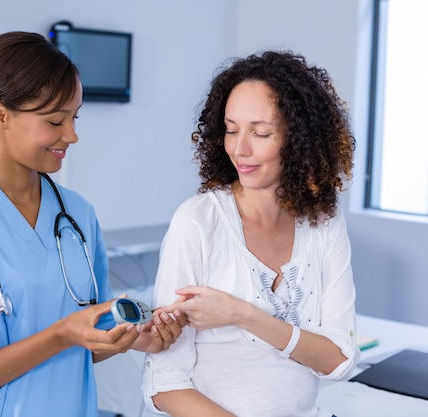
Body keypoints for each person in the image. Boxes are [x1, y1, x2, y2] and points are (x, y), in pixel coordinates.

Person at [0, 31, 185, 417]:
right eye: (55, 120)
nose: (72, 135)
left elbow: (89, 343)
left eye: (74, 117)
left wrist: (130, 338)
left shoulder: (79, 216)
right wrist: (60, 334)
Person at [140, 50, 359, 417]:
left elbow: (339, 361)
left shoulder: (324, 223)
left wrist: (244, 315)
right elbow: (165, 384)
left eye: (261, 133)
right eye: (231, 130)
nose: (239, 149)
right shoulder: (199, 221)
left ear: (300, 138)